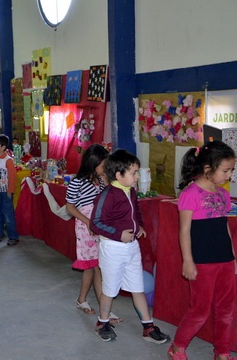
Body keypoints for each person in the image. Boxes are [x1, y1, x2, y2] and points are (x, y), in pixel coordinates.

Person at [90, 149, 170, 344]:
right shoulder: (107, 195)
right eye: (133, 173)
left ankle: (148, 327)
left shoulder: (131, 191)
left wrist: (139, 226)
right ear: (119, 175)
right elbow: (95, 223)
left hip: (132, 248)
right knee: (110, 290)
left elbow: (137, 213)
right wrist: (119, 234)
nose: (136, 177)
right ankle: (102, 323)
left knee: (137, 288)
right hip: (113, 249)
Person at [167, 140, 236, 360]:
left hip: (225, 260)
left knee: (226, 309)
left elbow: (224, 227)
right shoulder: (190, 193)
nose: (229, 175)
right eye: (226, 170)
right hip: (203, 262)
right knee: (200, 310)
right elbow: (184, 231)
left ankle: (222, 352)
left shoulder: (223, 195)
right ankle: (177, 347)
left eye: (231, 170)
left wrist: (233, 257)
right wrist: (188, 260)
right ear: (208, 169)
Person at [65, 144, 122, 324]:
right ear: (93, 163)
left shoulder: (102, 181)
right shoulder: (77, 182)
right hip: (86, 227)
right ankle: (88, 302)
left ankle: (99, 306)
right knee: (92, 266)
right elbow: (69, 207)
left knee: (99, 266)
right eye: (103, 164)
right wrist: (88, 221)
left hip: (100, 226)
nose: (105, 168)